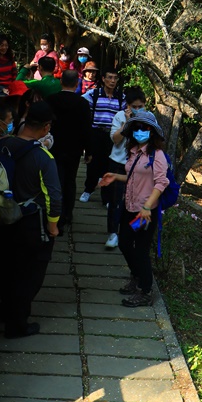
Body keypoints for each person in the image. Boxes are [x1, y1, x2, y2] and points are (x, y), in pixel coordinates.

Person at [0, 101, 61, 338]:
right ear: (46, 127)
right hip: (32, 224)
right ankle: (17, 326)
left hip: (5, 218)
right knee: (30, 276)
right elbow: (54, 195)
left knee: (9, 269)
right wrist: (53, 226)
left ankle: (5, 313)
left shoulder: (4, 145)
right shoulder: (43, 157)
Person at [100, 110, 168, 307]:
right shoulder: (133, 151)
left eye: (144, 128)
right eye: (136, 128)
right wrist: (115, 176)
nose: (139, 131)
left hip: (144, 213)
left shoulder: (158, 155)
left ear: (152, 132)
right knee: (124, 243)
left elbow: (160, 183)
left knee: (140, 250)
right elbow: (134, 176)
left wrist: (147, 207)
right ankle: (136, 276)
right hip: (131, 207)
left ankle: (145, 291)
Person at [48, 70, 93, 232]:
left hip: (54, 147)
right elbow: (87, 128)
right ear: (76, 84)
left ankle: (56, 215)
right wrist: (88, 151)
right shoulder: (82, 103)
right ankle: (68, 213)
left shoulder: (51, 100)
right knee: (70, 181)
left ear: (61, 82)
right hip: (74, 148)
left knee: (56, 181)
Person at [79, 69, 126, 225]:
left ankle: (106, 197)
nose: (112, 81)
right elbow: (82, 102)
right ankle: (88, 189)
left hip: (112, 135)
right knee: (93, 162)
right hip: (96, 132)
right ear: (103, 79)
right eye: (110, 77)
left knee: (109, 165)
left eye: (115, 78)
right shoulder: (94, 94)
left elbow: (128, 111)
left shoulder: (122, 97)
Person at [103, 87, 147, 248]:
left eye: (139, 106)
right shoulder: (119, 117)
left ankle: (130, 233)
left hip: (139, 166)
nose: (136, 110)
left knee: (136, 200)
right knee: (115, 200)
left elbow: (145, 142)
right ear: (127, 106)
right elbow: (115, 140)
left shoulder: (149, 119)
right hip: (118, 163)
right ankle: (113, 233)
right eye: (133, 107)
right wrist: (127, 124)